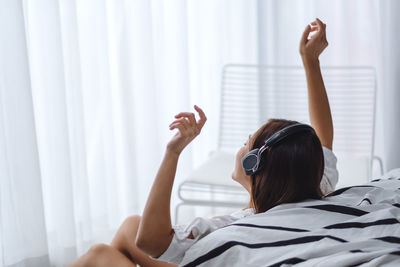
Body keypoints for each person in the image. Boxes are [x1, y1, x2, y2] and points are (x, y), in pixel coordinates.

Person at [69, 18, 337, 267]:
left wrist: (172, 152)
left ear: (252, 164)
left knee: (98, 255)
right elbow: (323, 139)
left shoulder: (227, 230)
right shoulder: (311, 185)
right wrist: (310, 61)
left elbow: (149, 242)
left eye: (247, 142)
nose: (241, 145)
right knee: (129, 226)